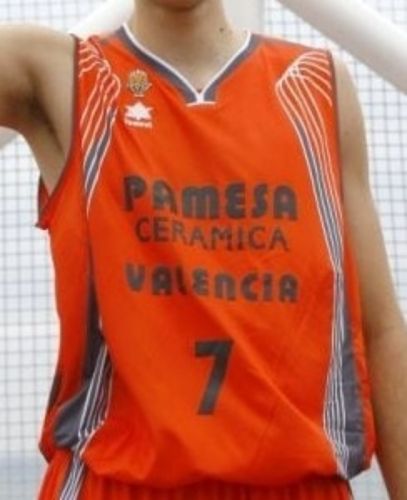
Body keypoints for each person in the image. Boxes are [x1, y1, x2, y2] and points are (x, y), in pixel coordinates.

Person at [0, 0, 406, 498]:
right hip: (120, 480)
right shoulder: (60, 75)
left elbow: (379, 330)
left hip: (295, 482)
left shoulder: (314, 86)